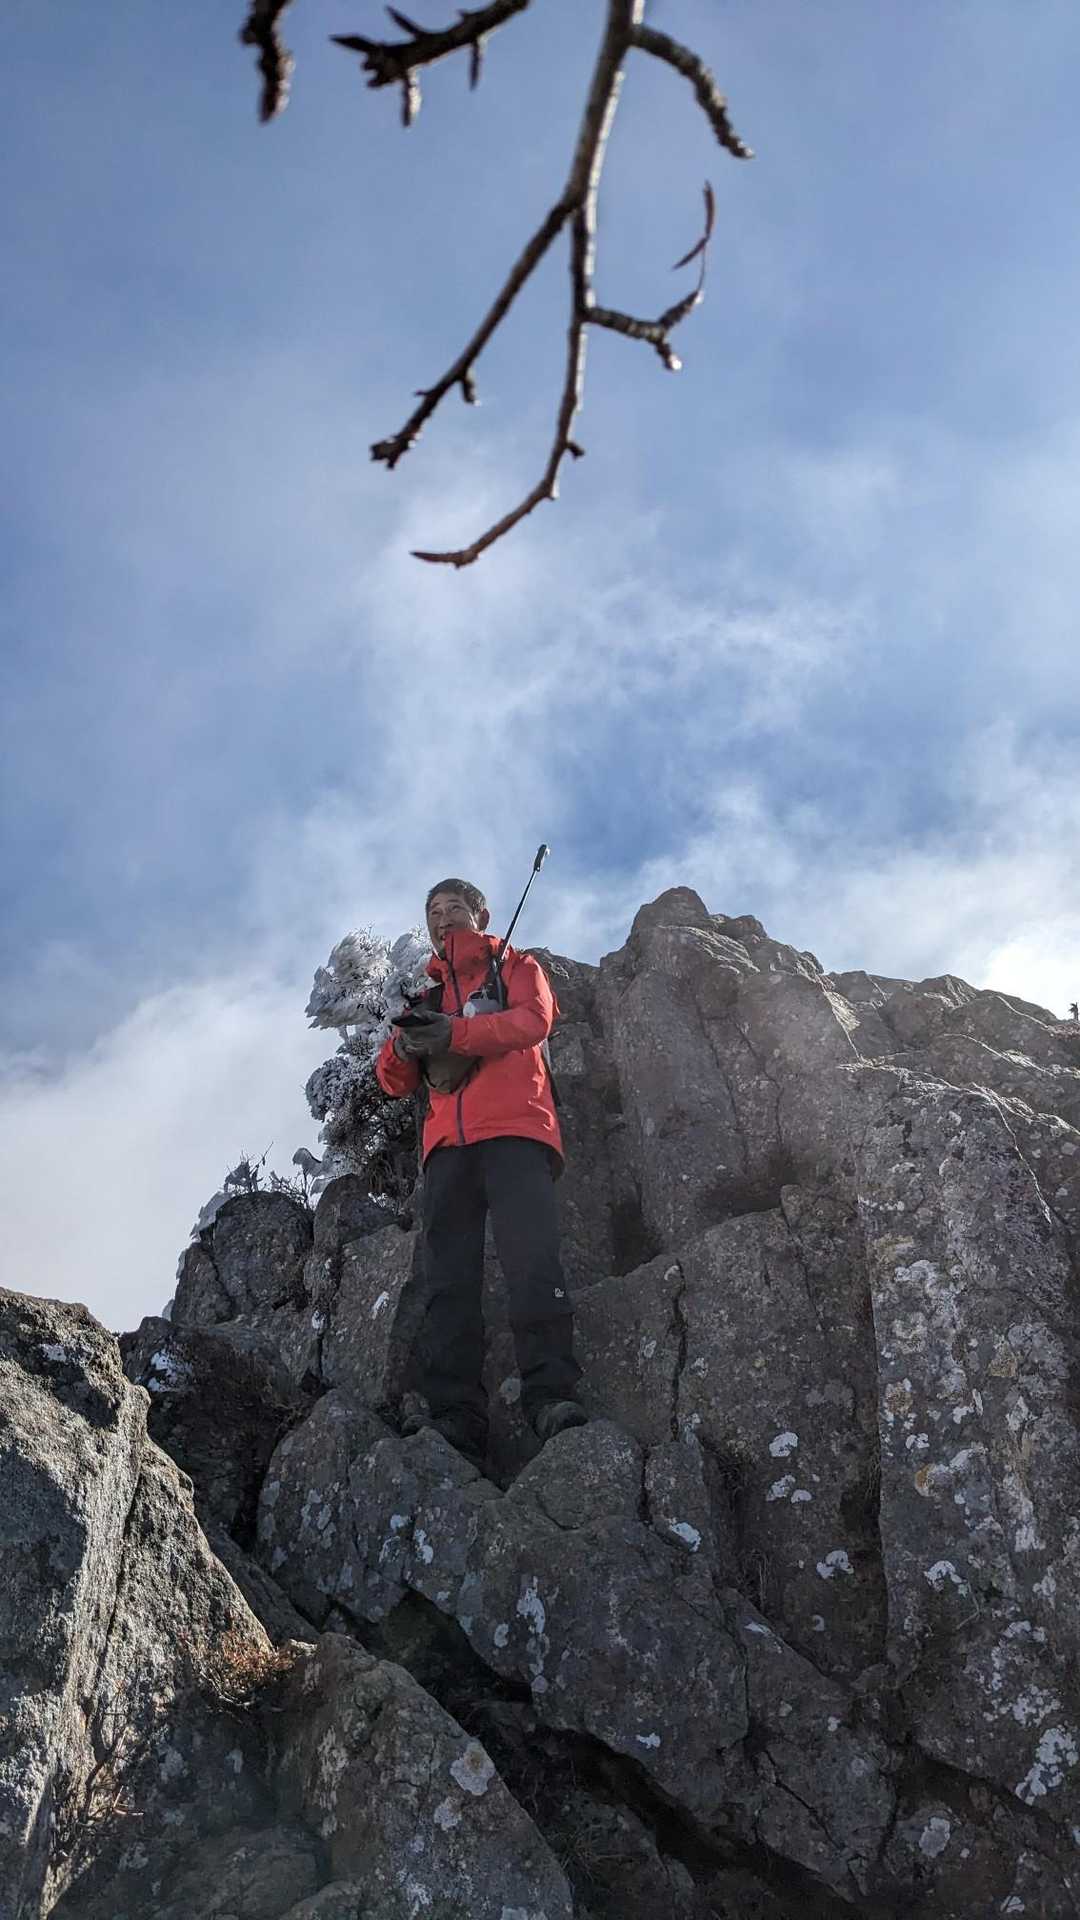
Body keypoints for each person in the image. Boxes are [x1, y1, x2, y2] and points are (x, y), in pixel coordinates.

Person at [375, 877, 585, 1470]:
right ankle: (456, 1413)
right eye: (433, 912)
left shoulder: (517, 966)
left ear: (481, 915)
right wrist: (403, 1046)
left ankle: (552, 1395)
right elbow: (392, 1082)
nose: (443, 919)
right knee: (448, 1284)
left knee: (532, 1264)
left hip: (517, 1133)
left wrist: (456, 1033)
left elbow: (534, 1021)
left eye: (454, 908)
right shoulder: (428, 995)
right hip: (447, 1150)